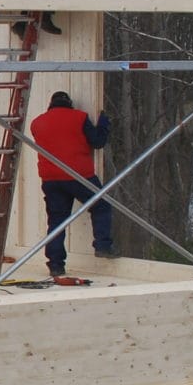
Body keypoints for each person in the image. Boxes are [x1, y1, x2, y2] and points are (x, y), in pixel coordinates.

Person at [30, 91, 116, 278]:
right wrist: (103, 123)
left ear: (50, 104)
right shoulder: (79, 117)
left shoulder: (37, 123)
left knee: (57, 221)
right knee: (101, 206)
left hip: (51, 178)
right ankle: (103, 245)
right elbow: (98, 141)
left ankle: (55, 265)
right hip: (79, 175)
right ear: (69, 104)